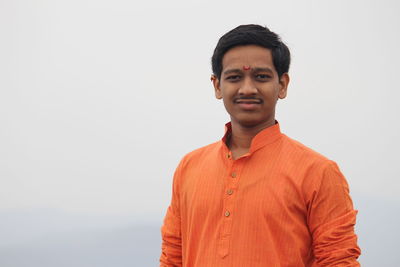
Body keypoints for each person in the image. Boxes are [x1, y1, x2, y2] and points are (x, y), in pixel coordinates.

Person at [159, 24, 361, 267]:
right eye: (234, 77)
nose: (247, 88)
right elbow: (172, 257)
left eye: (261, 77)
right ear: (217, 86)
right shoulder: (189, 167)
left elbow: (338, 260)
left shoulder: (318, 172)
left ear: (283, 85)